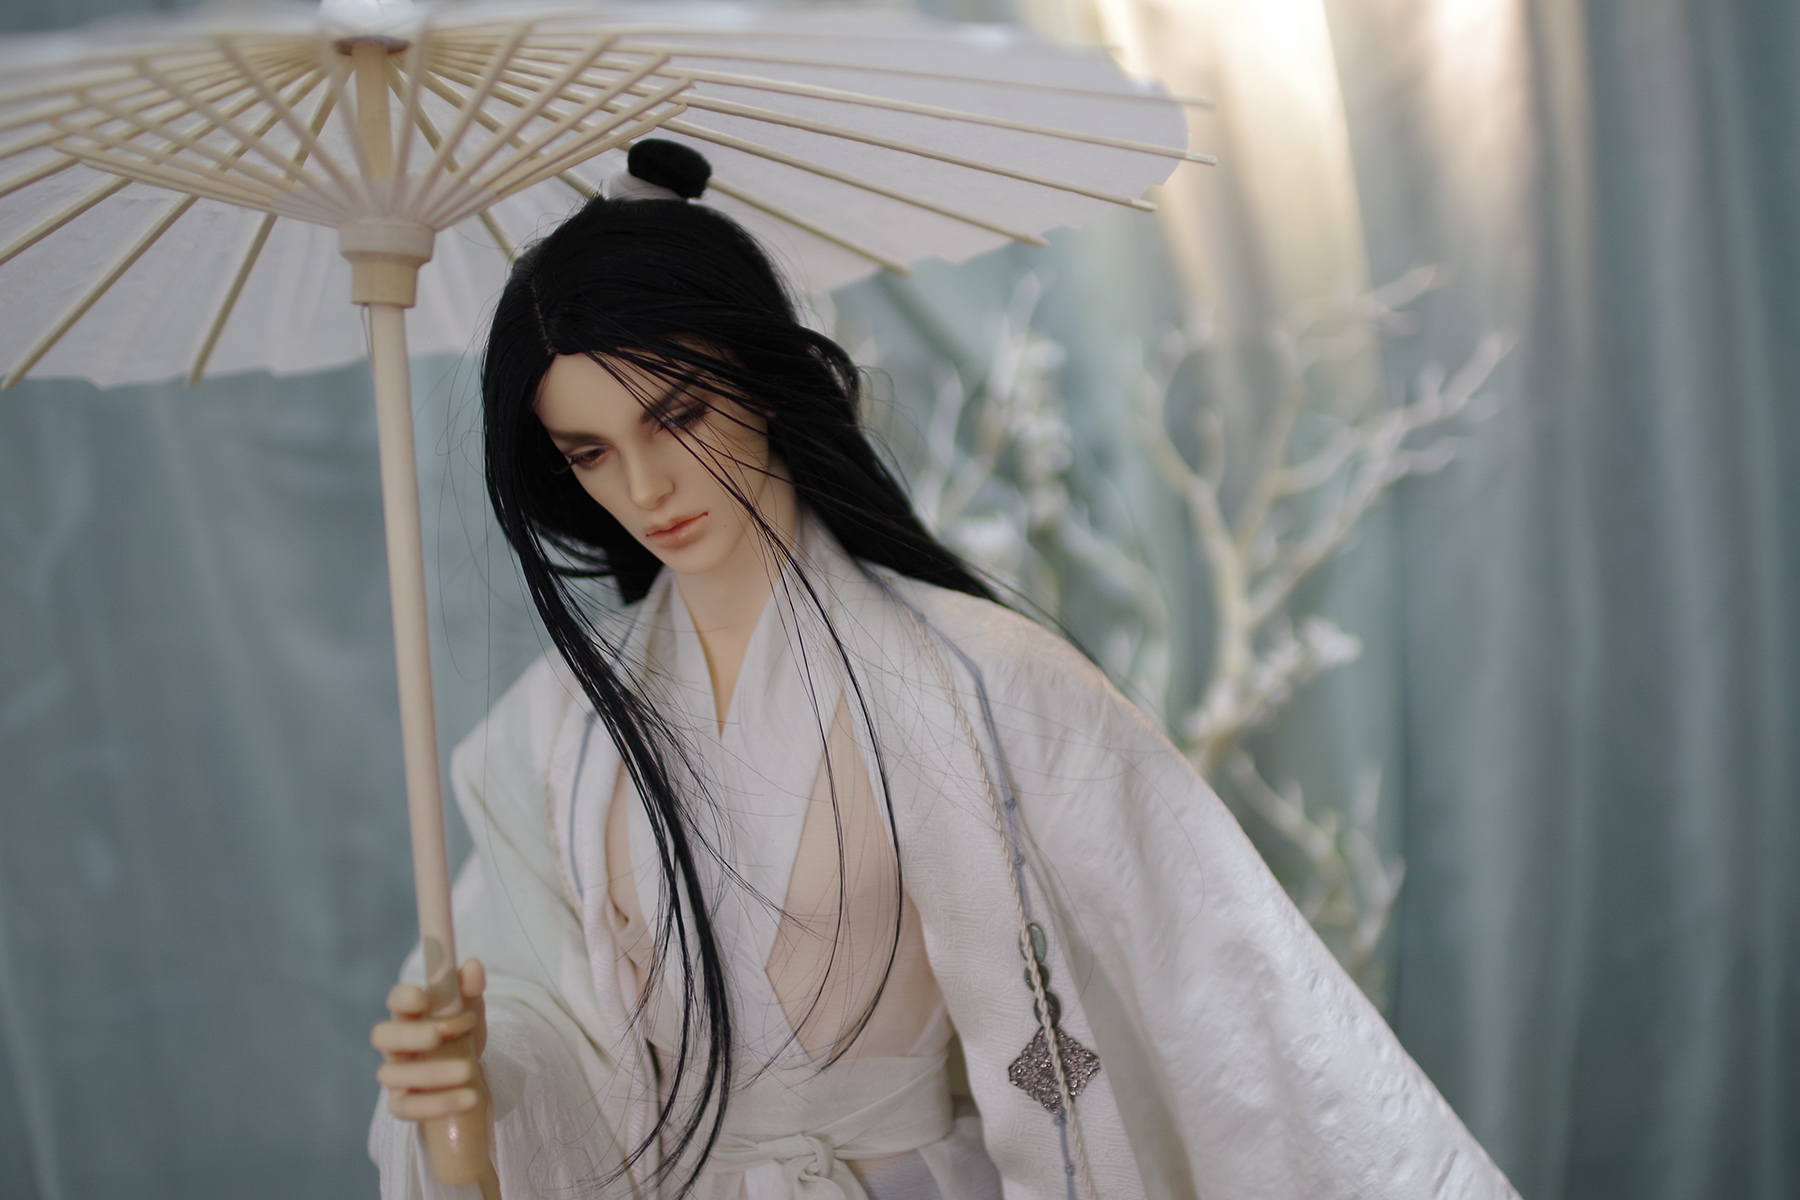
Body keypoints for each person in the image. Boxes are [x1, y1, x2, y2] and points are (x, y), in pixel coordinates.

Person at [367, 141, 1518, 1200]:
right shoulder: (556, 735)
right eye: (590, 452)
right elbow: (549, 1023)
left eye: (679, 416)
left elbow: (1222, 994)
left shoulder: (987, 684)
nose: (645, 486)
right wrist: (478, 1081)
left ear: (761, 376)